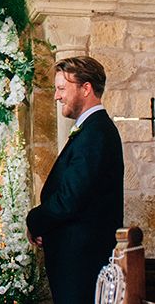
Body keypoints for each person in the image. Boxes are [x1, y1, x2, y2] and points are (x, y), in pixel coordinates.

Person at [26, 56, 124, 304]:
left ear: (86, 88)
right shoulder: (92, 130)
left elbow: (69, 199)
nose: (57, 97)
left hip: (82, 265)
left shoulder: (96, 133)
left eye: (61, 88)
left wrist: (35, 220)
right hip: (76, 260)